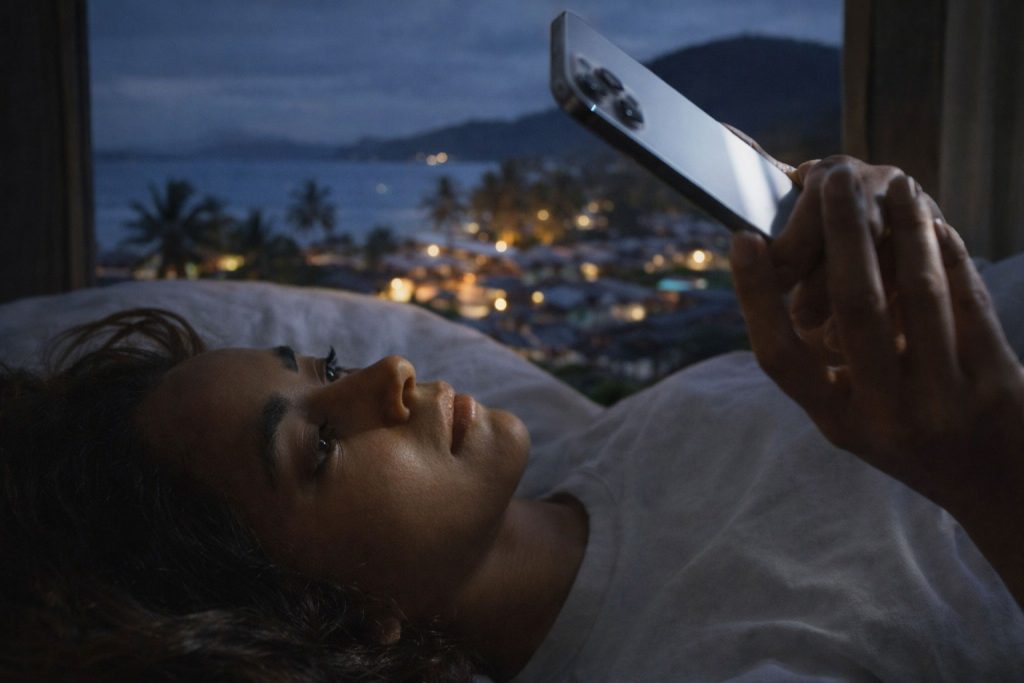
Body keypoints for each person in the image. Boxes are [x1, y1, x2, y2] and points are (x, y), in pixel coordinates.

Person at [0, 157, 1021, 682]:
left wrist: (914, 271)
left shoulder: (599, 444)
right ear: (321, 619)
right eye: (317, 445)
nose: (388, 376)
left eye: (325, 366)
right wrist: (990, 468)